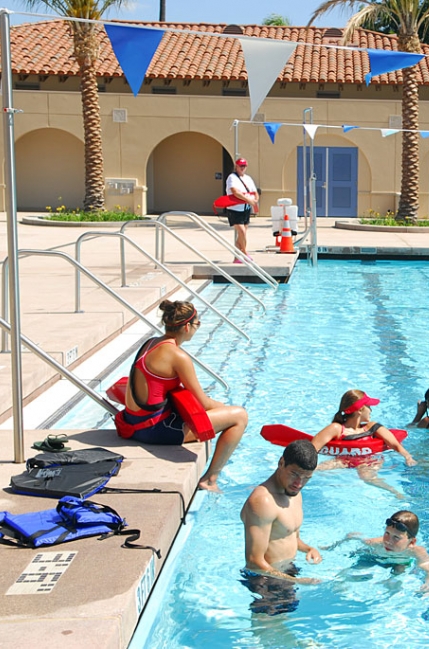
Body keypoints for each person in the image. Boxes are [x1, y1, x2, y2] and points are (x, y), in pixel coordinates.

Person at [121, 300, 247, 492]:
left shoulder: (151, 343)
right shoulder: (178, 356)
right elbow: (204, 403)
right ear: (187, 326)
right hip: (153, 431)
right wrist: (223, 408)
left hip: (132, 422)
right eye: (198, 324)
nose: (197, 328)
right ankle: (210, 479)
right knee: (239, 416)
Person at [240, 440, 322, 615]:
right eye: (294, 474)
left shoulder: (294, 494)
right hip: (266, 580)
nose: (299, 483)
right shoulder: (263, 501)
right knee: (268, 632)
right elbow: (254, 561)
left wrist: (309, 548)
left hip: (286, 572)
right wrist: (299, 581)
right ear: (281, 463)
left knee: (281, 629)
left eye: (306, 478)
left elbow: (292, 537)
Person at [311, 390, 416, 498]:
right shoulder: (336, 428)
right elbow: (312, 448)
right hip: (343, 461)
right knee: (314, 469)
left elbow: (395, 445)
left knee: (367, 478)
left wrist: (408, 457)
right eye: (369, 406)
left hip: (370, 461)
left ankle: (395, 493)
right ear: (360, 410)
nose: (371, 410)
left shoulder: (372, 427)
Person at [344, 510, 429, 592]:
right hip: (376, 558)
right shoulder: (376, 544)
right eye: (387, 533)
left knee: (399, 573)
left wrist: (427, 584)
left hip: (400, 563)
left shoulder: (416, 552)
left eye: (396, 538)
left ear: (412, 541)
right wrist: (333, 546)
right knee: (355, 570)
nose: (388, 541)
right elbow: (353, 537)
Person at [225, 157, 258, 263]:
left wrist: (255, 201)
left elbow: (254, 191)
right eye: (241, 166)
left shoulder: (248, 178)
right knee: (242, 232)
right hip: (235, 209)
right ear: (236, 166)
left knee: (242, 235)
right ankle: (244, 253)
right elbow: (235, 192)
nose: (242, 168)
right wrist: (248, 199)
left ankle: (237, 257)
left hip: (246, 209)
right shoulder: (232, 177)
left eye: (244, 166)